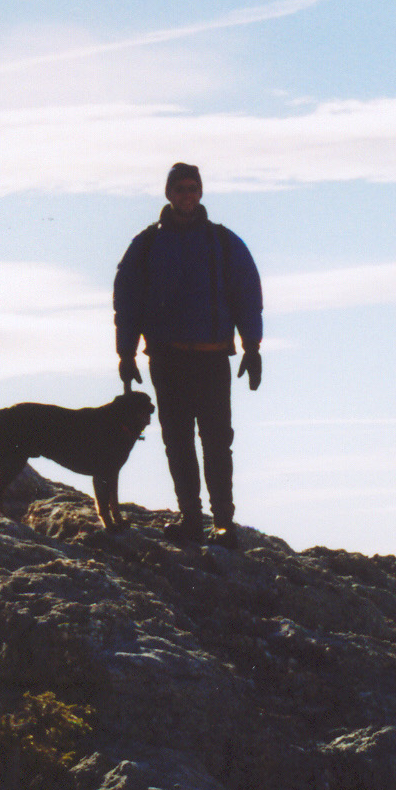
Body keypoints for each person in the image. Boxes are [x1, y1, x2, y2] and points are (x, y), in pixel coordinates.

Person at [114, 162, 264, 547]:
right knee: (177, 441)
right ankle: (191, 519)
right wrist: (126, 354)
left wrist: (252, 347)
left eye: (192, 188)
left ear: (200, 193)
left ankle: (224, 522)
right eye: (180, 189)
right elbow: (126, 302)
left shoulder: (223, 242)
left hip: (212, 357)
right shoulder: (147, 244)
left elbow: (247, 296)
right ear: (168, 194)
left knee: (217, 441)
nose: (187, 195)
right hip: (166, 359)